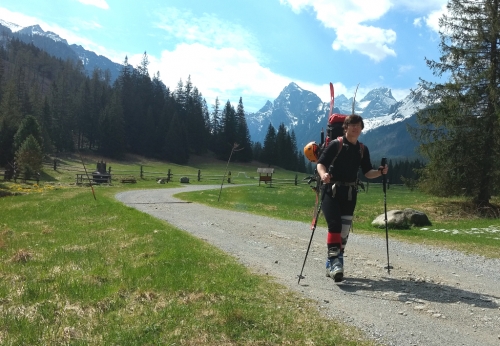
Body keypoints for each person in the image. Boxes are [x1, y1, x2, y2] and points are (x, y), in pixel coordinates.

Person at [316, 114, 388, 282]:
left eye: (358, 125)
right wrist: (323, 174)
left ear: (361, 129)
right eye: (352, 125)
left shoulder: (362, 149)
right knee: (334, 226)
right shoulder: (336, 144)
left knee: (344, 231)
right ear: (345, 127)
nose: (355, 128)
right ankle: (336, 263)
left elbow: (367, 172)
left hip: (349, 193)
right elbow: (321, 163)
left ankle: (331, 263)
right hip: (331, 190)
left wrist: (380, 172)